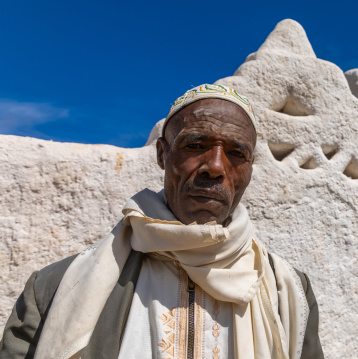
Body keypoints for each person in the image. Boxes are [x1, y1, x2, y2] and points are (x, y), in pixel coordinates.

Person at [0, 84, 324, 359]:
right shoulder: (53, 289)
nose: (215, 166)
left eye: (236, 153)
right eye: (196, 145)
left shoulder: (289, 293)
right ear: (162, 154)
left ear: (250, 168)